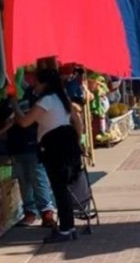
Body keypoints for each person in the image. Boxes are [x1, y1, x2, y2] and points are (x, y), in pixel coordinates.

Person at [12, 68, 85, 243]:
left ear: (44, 84)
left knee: (59, 189)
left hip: (54, 146)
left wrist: (14, 105)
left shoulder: (45, 101)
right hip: (67, 142)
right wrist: (77, 140)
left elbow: (25, 122)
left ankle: (66, 229)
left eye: (36, 82)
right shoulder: (62, 98)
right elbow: (77, 121)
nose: (33, 86)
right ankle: (69, 227)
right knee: (63, 188)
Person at [0, 81, 57, 229]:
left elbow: (29, 120)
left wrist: (16, 110)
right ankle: (30, 211)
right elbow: (1, 119)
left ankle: (46, 211)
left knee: (38, 177)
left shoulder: (32, 95)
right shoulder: (5, 98)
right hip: (15, 145)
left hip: (32, 142)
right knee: (23, 180)